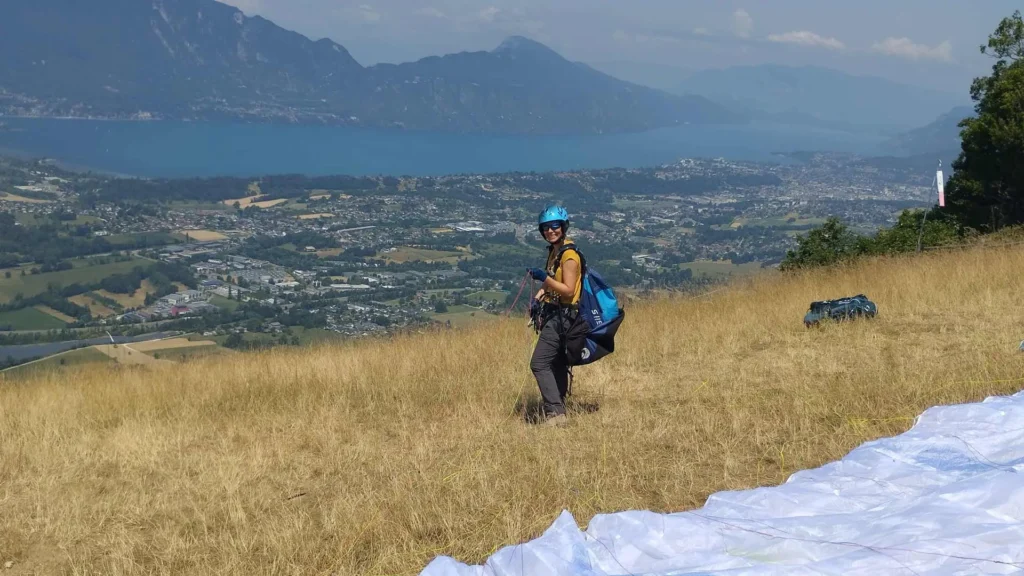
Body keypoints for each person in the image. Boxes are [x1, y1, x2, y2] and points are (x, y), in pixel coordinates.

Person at [527, 205, 583, 428]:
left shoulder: (569, 255)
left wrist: (544, 279)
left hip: (565, 316)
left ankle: (556, 414)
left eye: (555, 226)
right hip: (556, 312)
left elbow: (568, 290)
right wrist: (540, 296)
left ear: (563, 226)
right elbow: (552, 281)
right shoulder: (555, 252)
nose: (550, 231)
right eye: (546, 228)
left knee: (539, 363)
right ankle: (559, 405)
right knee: (557, 361)